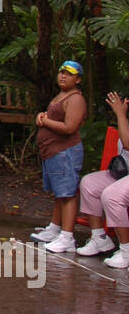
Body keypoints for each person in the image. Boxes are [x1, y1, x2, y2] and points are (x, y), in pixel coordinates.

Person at [30, 60, 88, 252]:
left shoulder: (76, 99)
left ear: (78, 79)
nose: (63, 76)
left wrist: (45, 121)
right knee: (59, 193)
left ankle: (67, 237)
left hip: (66, 151)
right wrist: (42, 116)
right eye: (62, 72)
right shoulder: (62, 95)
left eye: (69, 74)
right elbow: (54, 117)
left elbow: (69, 127)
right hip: (53, 150)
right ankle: (55, 229)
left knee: (67, 194)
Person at [72, 88, 129, 268]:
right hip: (124, 174)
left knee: (112, 195)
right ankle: (100, 238)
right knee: (89, 183)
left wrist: (120, 114)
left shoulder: (122, 117)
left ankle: (127, 251)